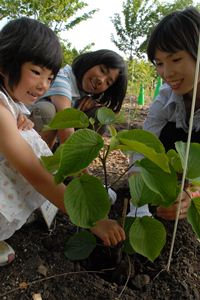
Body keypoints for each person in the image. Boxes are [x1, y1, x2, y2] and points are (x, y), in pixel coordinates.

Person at [0, 17, 125, 267]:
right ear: (5, 63)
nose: (43, 85)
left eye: (49, 77)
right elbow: (35, 173)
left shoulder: (11, 105)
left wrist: (21, 119)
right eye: (36, 72)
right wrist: (90, 218)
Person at [129, 6, 200, 221]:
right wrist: (138, 207)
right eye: (159, 63)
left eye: (176, 59)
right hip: (168, 177)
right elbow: (144, 148)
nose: (167, 73)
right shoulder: (166, 97)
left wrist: (194, 194)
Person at [30, 49, 128, 149]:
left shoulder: (84, 94)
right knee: (47, 110)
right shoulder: (61, 79)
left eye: (108, 82)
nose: (101, 80)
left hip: (58, 144)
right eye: (102, 70)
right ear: (90, 62)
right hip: (25, 137)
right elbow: (66, 130)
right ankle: (39, 160)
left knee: (97, 116)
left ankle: (60, 159)